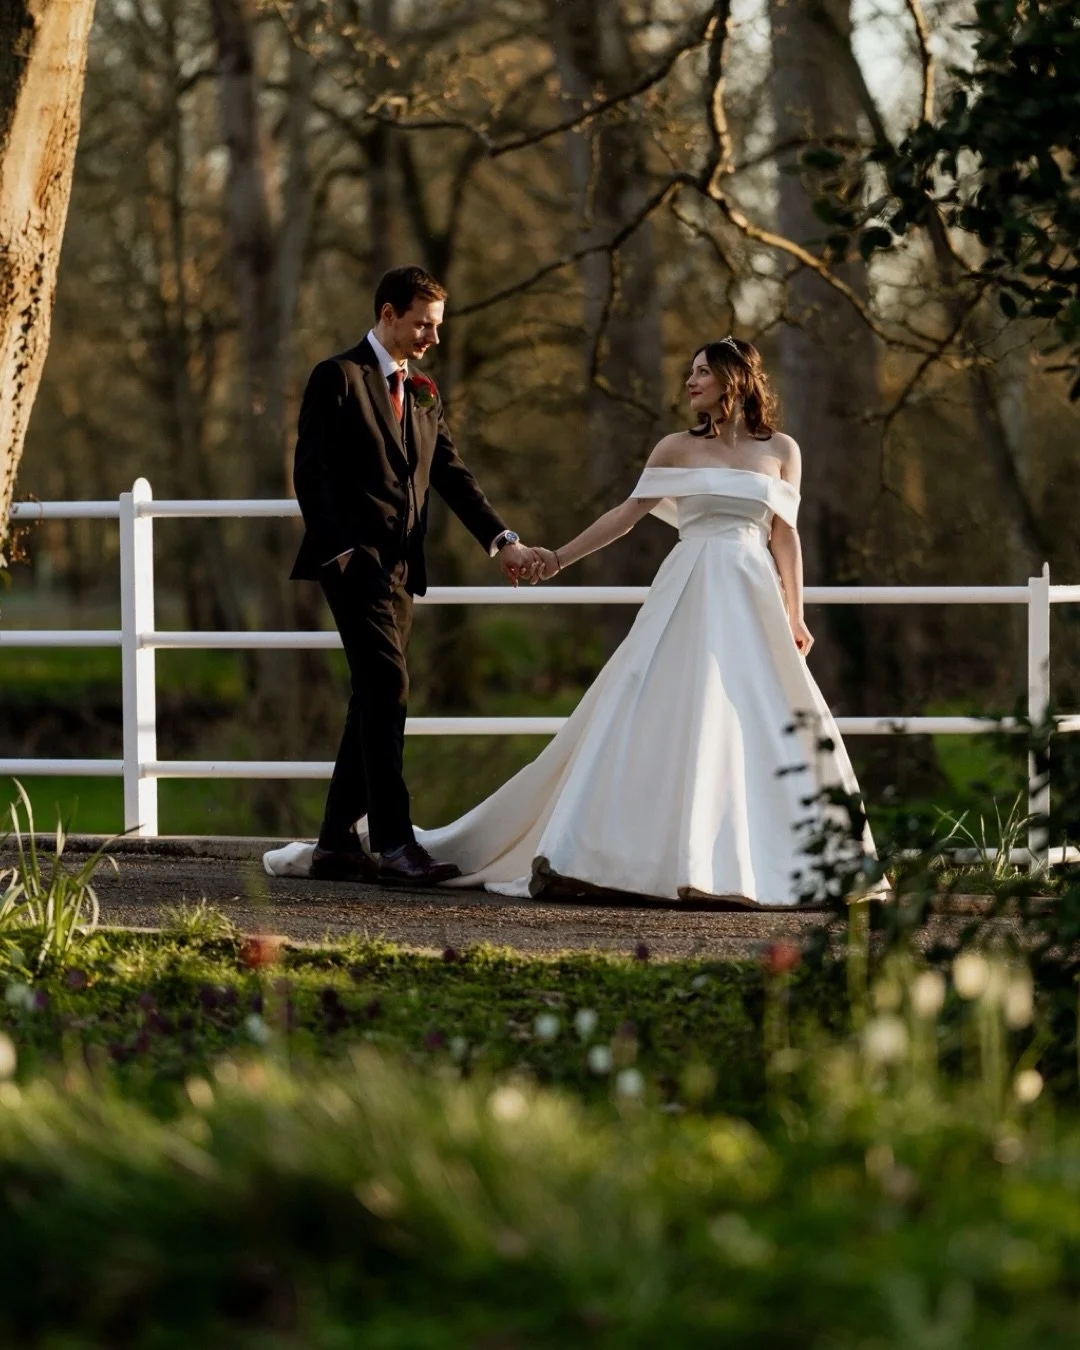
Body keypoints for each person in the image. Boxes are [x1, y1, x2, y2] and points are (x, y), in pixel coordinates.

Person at [269, 336, 876, 906]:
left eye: (701, 372)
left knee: (763, 719)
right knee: (668, 711)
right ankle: (653, 859)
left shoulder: (783, 451)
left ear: (733, 380)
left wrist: (795, 614)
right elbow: (626, 515)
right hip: (691, 586)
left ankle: (767, 863)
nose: (689, 381)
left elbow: (785, 537)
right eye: (690, 371)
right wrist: (555, 558)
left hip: (752, 596)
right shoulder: (675, 447)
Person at [289, 265, 542, 888]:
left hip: (403, 571)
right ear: (387, 314)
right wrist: (343, 551)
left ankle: (334, 845)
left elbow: (452, 475)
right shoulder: (339, 377)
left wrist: (502, 539)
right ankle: (396, 843)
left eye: (437, 326)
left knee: (373, 696)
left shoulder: (424, 390)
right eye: (422, 324)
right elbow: (311, 472)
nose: (432, 336)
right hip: (353, 565)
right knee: (389, 688)